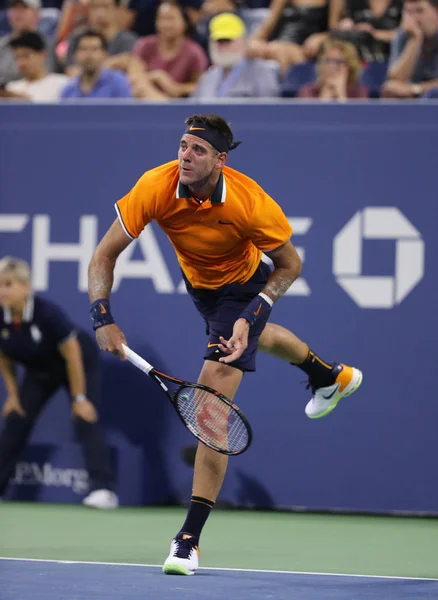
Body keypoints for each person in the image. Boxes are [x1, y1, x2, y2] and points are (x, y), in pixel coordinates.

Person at [87, 112, 363, 575]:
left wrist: (253, 311)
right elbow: (104, 254)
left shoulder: (249, 201)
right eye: (182, 146)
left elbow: (290, 265)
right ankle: (330, 376)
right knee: (255, 340)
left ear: (220, 158)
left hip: (245, 284)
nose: (185, 156)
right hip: (203, 289)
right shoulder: (156, 186)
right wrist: (102, 316)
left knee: (208, 409)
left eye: (197, 150)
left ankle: (188, 539)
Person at [0, 257, 118, 509]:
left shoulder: (47, 313)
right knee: (17, 417)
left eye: (8, 284)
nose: (2, 291)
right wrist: (12, 394)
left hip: (76, 362)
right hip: (40, 370)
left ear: (26, 287)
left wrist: (79, 399)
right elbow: (4, 355)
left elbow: (72, 353)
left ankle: (103, 490)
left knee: (84, 416)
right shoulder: (1, 316)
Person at [193, 12, 280, 98]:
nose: (222, 47)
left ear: (243, 41)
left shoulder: (261, 72)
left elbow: (270, 108)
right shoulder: (208, 78)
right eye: (218, 41)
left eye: (227, 41)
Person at [132, 0, 208, 97]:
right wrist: (155, 77)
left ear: (184, 23)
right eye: (162, 19)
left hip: (178, 105)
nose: (167, 25)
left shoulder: (194, 52)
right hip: (143, 102)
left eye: (171, 19)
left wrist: (176, 88)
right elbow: (135, 77)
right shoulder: (144, 45)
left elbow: (202, 86)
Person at [247, 0, 328, 71]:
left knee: (282, 52)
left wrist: (321, 37)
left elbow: (334, 31)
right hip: (278, 45)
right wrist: (254, 43)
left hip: (305, 51)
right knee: (257, 50)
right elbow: (266, 27)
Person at [63, 0, 138, 76]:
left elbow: (129, 72)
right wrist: (112, 63)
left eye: (106, 7)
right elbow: (72, 71)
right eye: (95, 7)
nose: (100, 12)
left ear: (118, 10)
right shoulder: (78, 37)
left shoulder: (129, 40)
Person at [381, 0, 438, 98]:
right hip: (415, 96)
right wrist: (414, 41)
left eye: (420, 11)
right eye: (409, 12)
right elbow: (396, 78)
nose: (414, 18)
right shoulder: (403, 34)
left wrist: (415, 89)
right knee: (390, 90)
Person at [0, 0, 58, 86]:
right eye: (14, 8)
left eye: (24, 8)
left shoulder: (50, 45)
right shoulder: (1, 45)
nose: (18, 13)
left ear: (37, 13)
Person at [61, 29, 132, 99]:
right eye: (84, 49)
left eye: (95, 49)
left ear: (104, 55)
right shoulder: (68, 90)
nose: (89, 54)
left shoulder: (118, 83)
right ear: (75, 55)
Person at [5, 31, 69, 101]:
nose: (21, 63)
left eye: (26, 56)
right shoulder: (11, 88)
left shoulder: (62, 83)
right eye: (17, 58)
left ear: (42, 55)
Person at [297, 38, 368, 99]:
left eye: (339, 62)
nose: (332, 66)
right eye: (328, 61)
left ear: (350, 67)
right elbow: (309, 114)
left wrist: (341, 94)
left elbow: (359, 114)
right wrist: (325, 96)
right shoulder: (308, 91)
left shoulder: (359, 92)